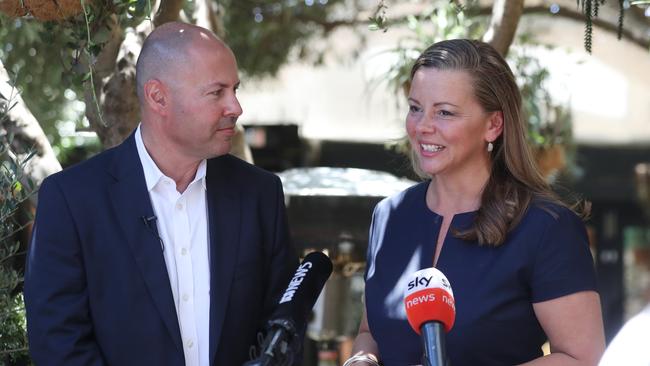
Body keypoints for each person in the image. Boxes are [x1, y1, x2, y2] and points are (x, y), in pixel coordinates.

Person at [24, 22, 298, 366]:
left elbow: (283, 329)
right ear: (158, 97)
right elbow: (58, 345)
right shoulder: (72, 200)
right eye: (217, 92)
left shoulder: (260, 194)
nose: (236, 107)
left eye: (235, 89)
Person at [346, 39, 605, 366]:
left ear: (493, 124)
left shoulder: (546, 228)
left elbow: (581, 358)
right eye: (415, 108)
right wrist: (361, 360)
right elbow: (371, 332)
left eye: (444, 112)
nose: (423, 126)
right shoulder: (389, 216)